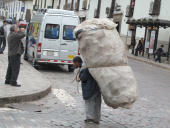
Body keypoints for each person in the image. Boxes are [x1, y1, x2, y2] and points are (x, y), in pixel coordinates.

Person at [73, 56, 101, 124]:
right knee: (97, 103)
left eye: (74, 63)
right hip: (97, 87)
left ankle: (90, 118)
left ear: (77, 62)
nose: (73, 64)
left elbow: (83, 77)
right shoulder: (89, 66)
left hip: (90, 88)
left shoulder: (84, 68)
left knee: (89, 102)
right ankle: (97, 118)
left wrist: (78, 73)